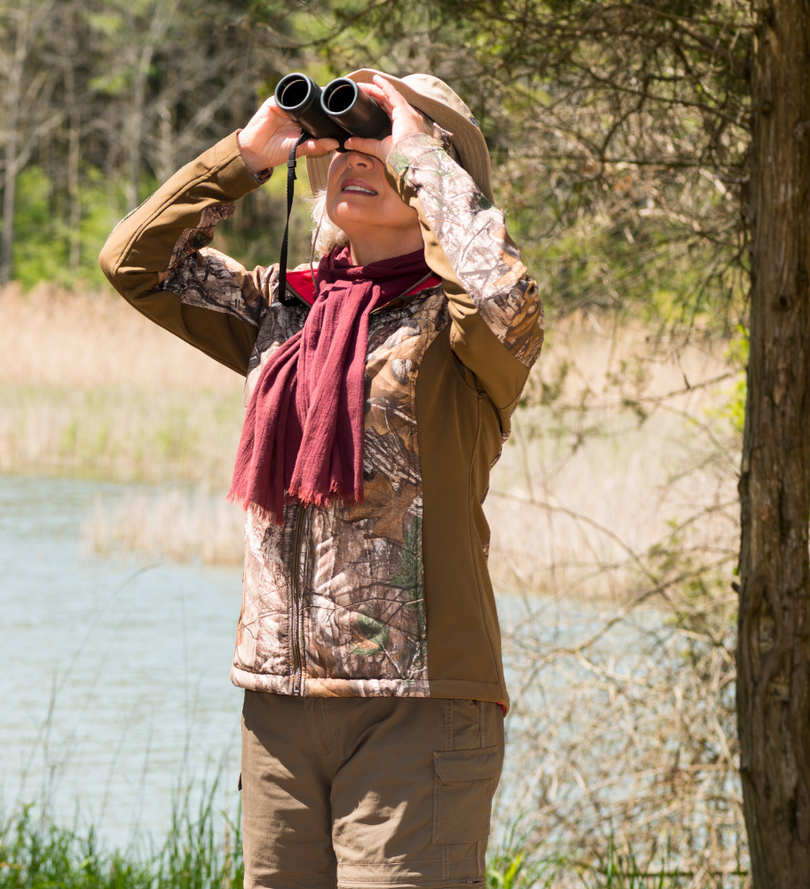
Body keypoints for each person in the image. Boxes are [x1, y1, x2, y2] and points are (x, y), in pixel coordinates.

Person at [98, 70, 543, 888]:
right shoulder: (285, 312)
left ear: (435, 175)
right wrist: (247, 153)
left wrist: (414, 148)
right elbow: (134, 262)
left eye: (377, 140)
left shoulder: (462, 331)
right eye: (337, 144)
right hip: (280, 710)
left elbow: (502, 295)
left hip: (418, 705)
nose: (353, 155)